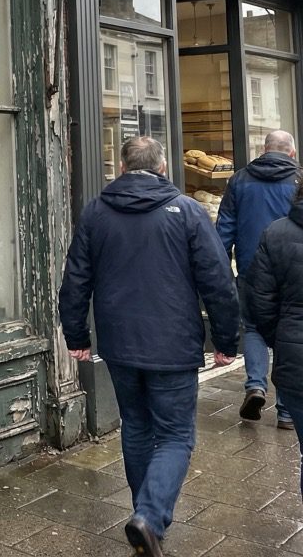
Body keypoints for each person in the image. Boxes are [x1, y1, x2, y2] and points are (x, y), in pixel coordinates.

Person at [59, 136, 239, 557]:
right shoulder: (188, 212)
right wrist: (227, 341)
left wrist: (76, 336)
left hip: (120, 344)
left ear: (122, 168)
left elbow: (75, 280)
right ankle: (150, 517)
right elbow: (219, 283)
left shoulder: (97, 213)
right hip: (173, 344)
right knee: (176, 435)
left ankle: (146, 522)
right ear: (162, 168)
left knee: (137, 427)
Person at [216, 129, 299, 429]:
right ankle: (288, 412)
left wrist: (219, 269)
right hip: (293, 269)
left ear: (264, 150)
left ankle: (255, 386)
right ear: (291, 152)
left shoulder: (240, 180)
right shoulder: (298, 179)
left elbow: (224, 228)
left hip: (252, 268)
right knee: (288, 332)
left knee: (253, 327)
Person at [244, 180, 303, 503]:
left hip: (295, 359)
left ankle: (279, 408)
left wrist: (280, 341)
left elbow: (261, 304)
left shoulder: (277, 233)